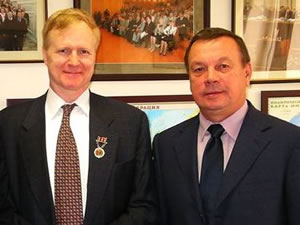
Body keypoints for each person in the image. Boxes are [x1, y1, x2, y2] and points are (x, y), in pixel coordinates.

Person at [0, 8, 156, 225]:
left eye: (84, 52)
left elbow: (144, 207)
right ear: (45, 54)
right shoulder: (7, 125)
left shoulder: (130, 123)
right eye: (63, 50)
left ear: (95, 56)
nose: (74, 62)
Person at [153, 27, 300, 225]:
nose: (210, 77)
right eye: (199, 69)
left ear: (247, 73)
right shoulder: (166, 144)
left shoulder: (289, 142)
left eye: (223, 66)